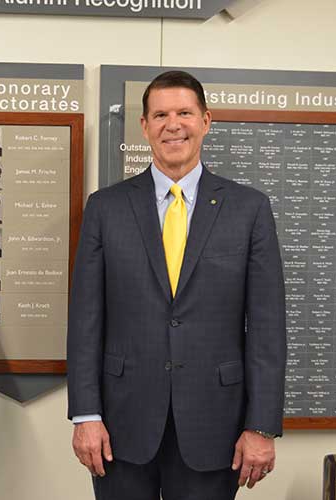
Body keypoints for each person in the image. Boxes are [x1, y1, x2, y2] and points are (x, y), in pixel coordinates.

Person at [67, 71, 286, 500]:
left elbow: (267, 329)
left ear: (206, 121)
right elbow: (85, 321)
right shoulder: (105, 208)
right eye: (160, 115)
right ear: (144, 125)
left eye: (184, 113)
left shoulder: (249, 209)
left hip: (216, 425)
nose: (173, 125)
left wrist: (261, 426)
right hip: (121, 425)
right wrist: (85, 415)